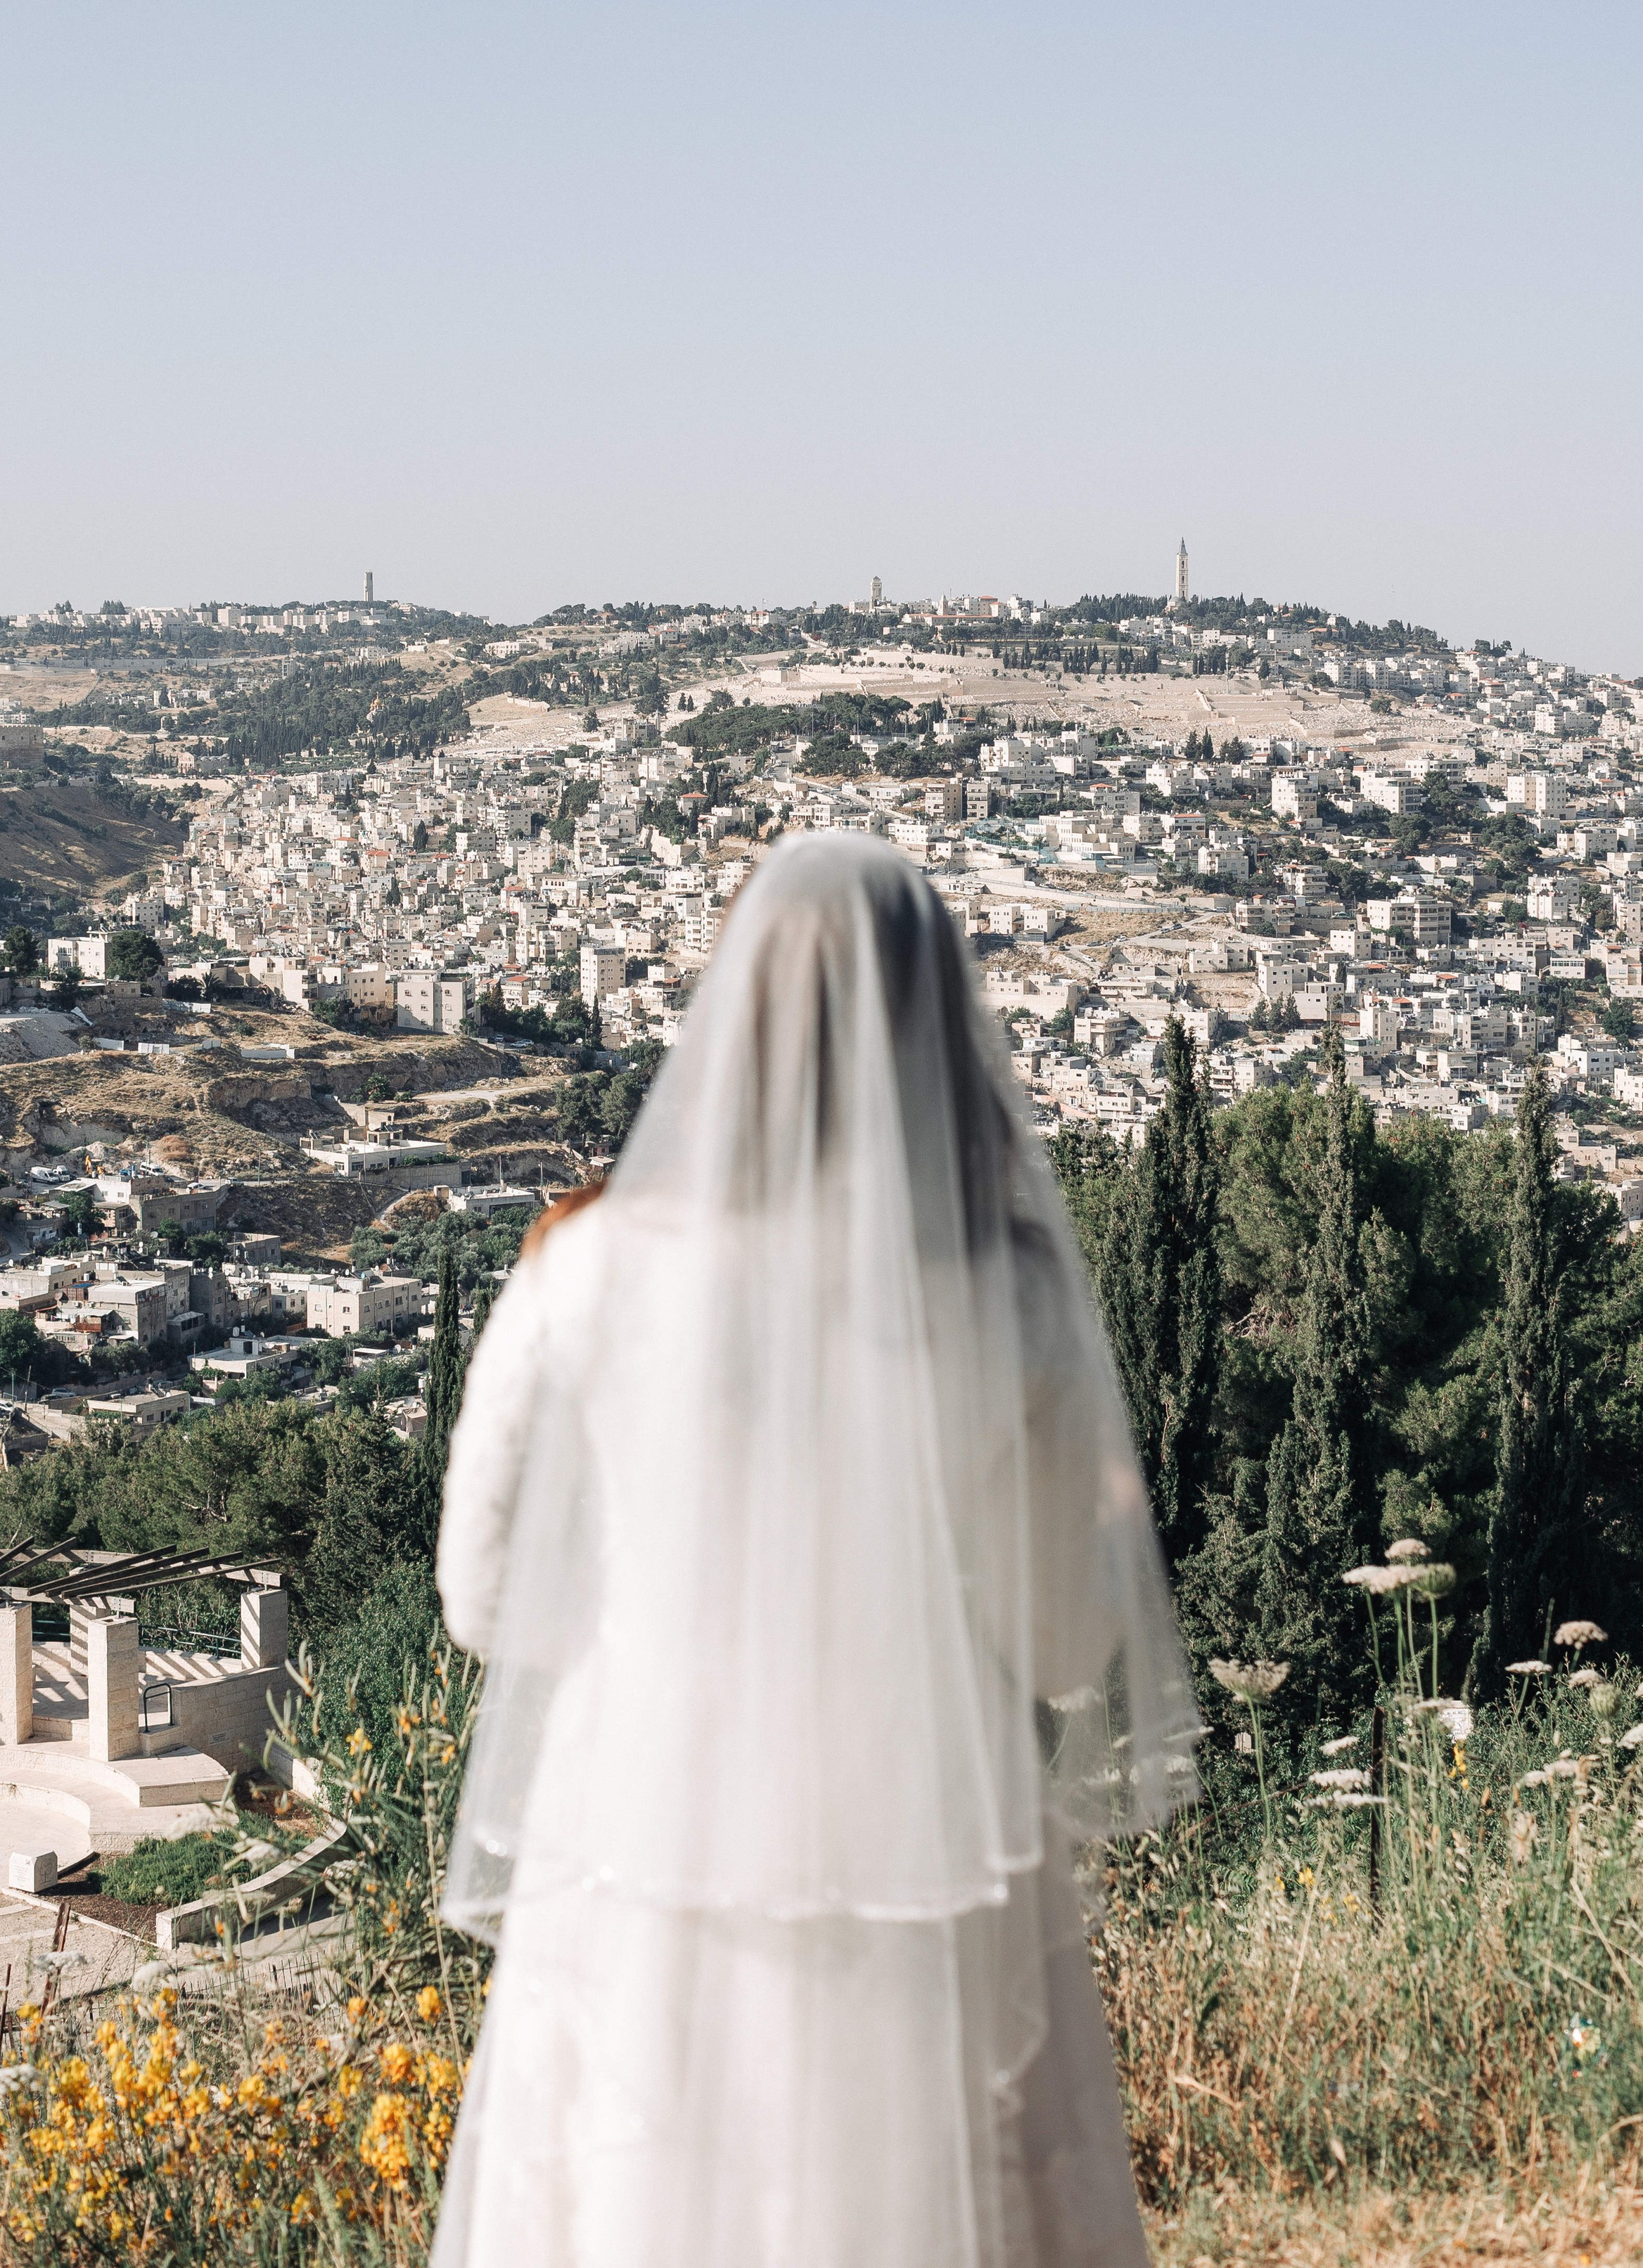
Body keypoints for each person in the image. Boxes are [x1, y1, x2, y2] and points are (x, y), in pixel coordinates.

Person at [433, 833, 1200, 2268]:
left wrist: (656, 1630)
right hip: (920, 1824)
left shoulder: (583, 1266)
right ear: (940, 1027)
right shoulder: (1006, 1297)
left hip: (646, 1822)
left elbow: (483, 1601)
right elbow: (1059, 1645)